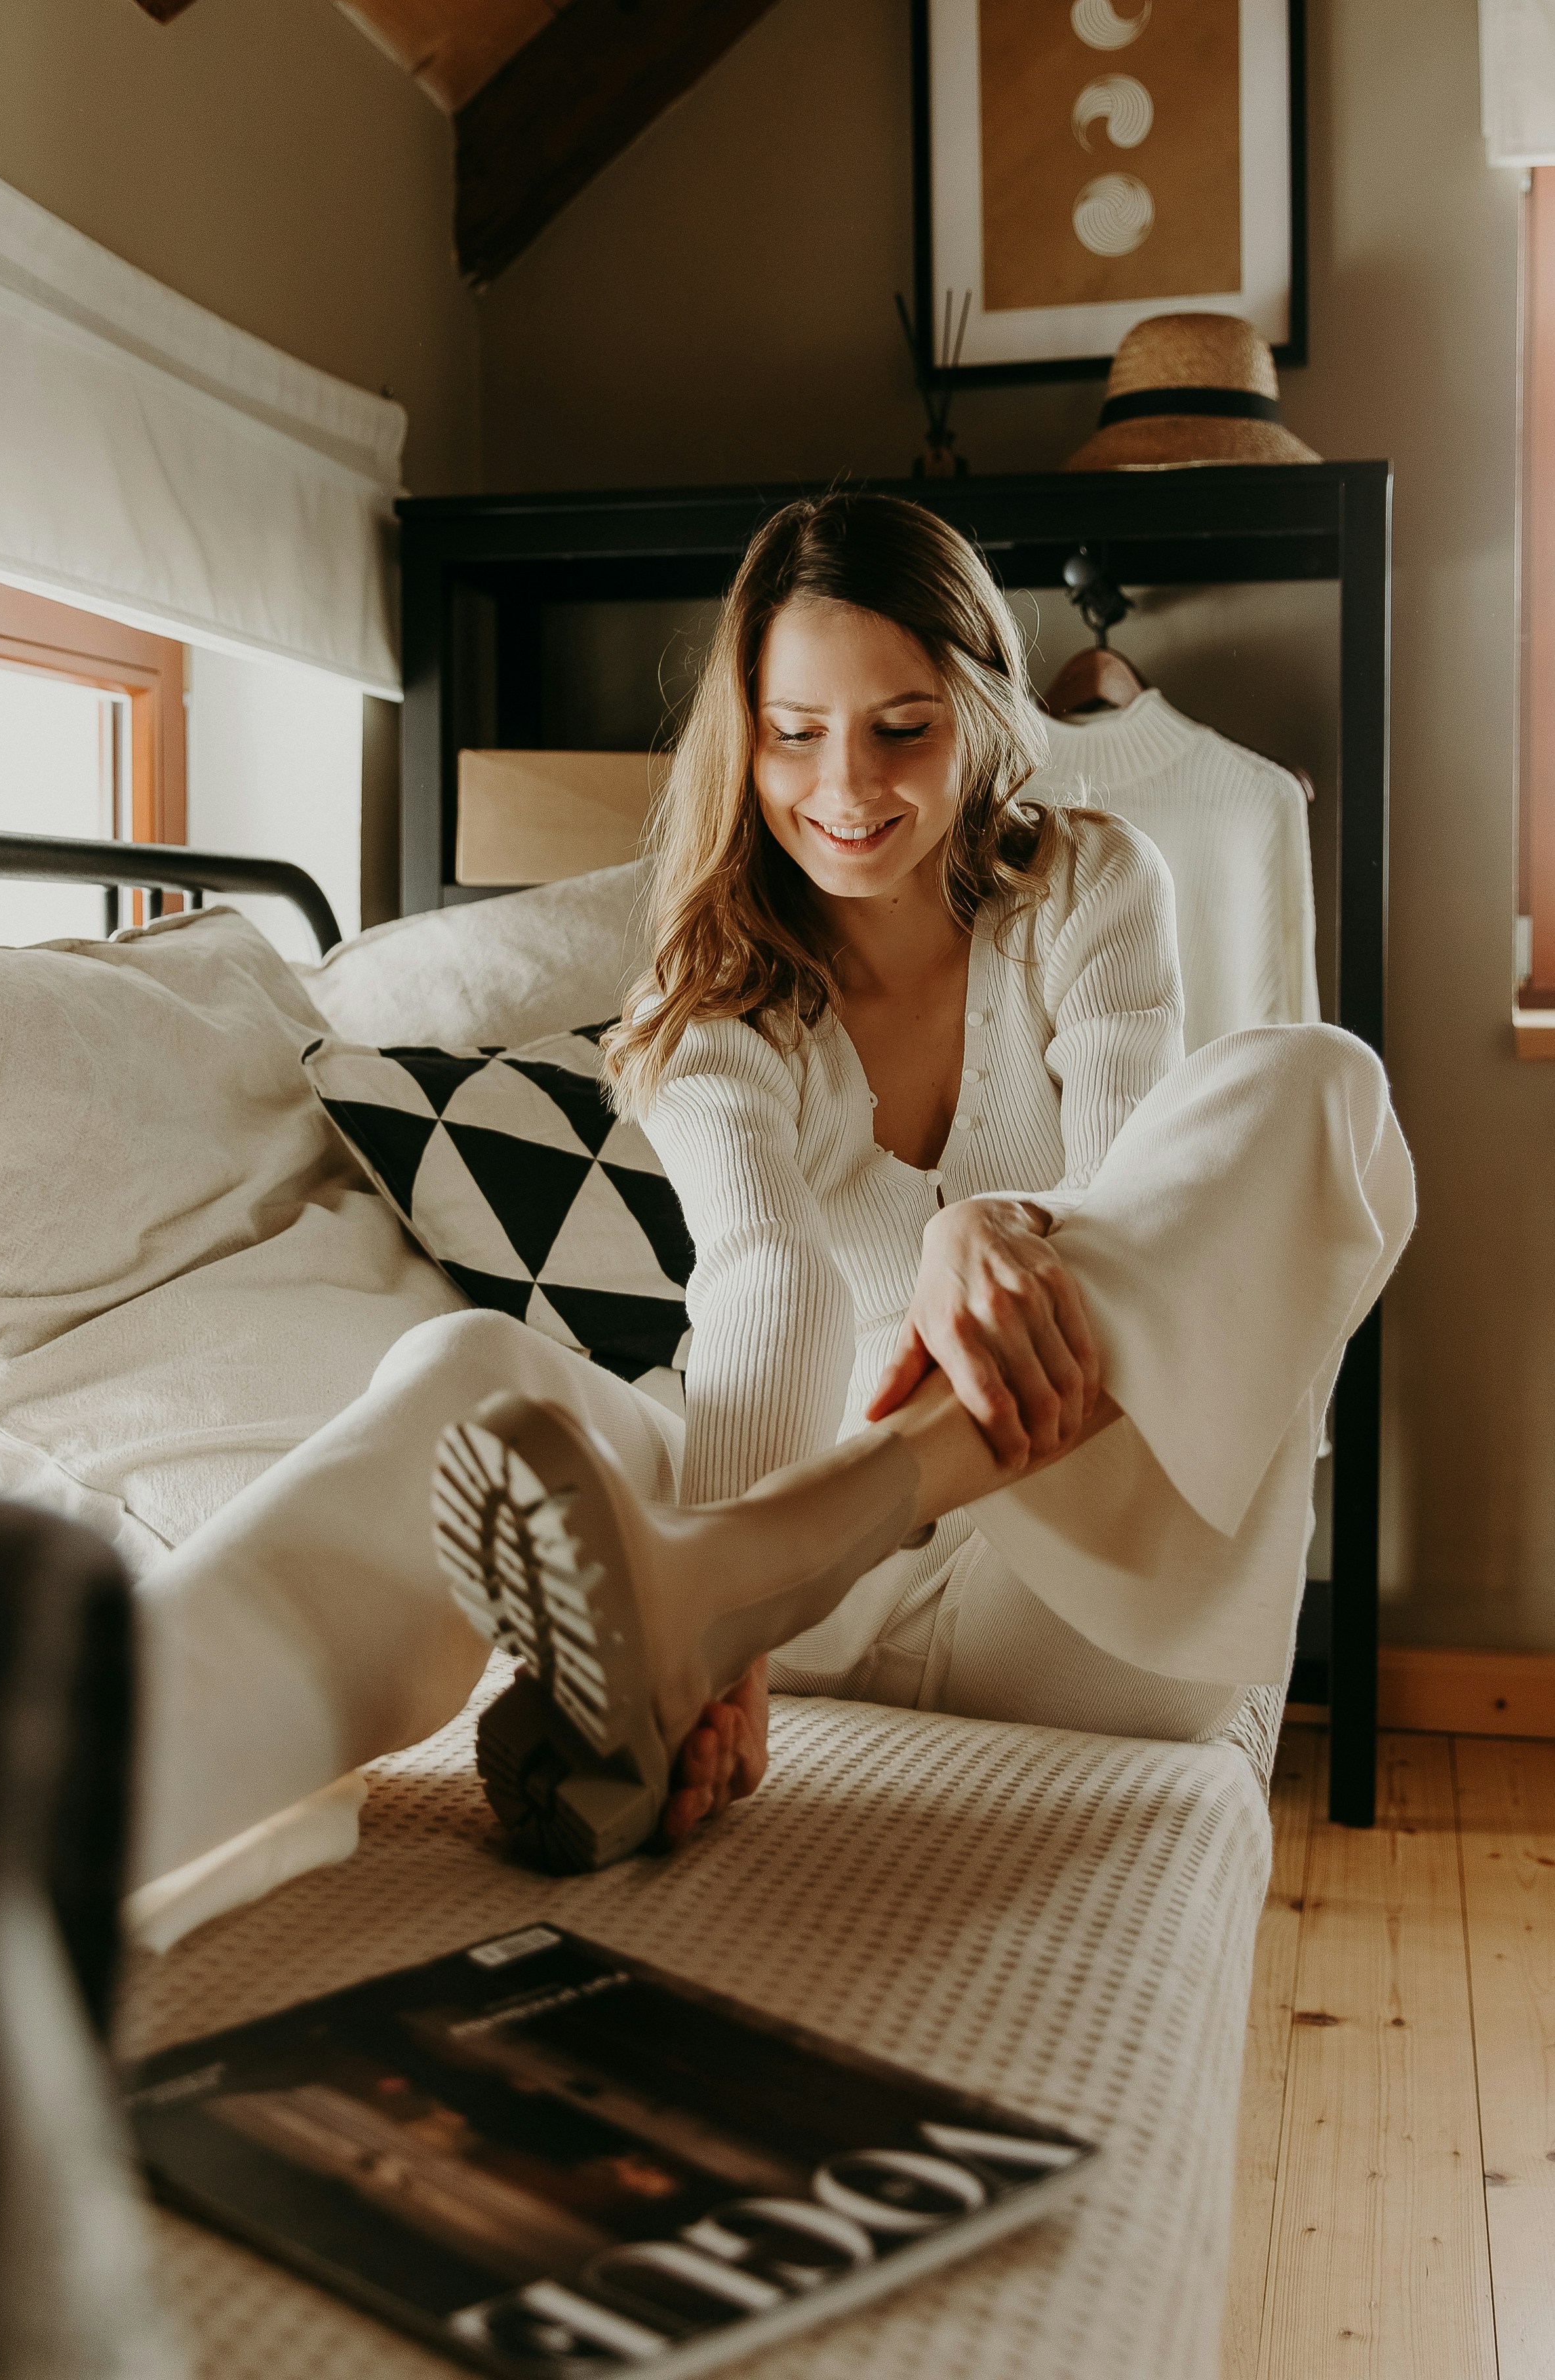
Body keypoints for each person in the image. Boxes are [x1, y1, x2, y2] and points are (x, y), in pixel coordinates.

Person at [131, 494, 1412, 1892]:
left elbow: (1128, 1207)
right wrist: (730, 1652)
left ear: (982, 712)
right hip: (794, 1595)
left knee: (1316, 1082)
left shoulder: (1090, 881)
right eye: (793, 732)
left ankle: (733, 1572)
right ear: (741, 736)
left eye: (900, 727)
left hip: (1065, 1611)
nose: (844, 785)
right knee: (469, 1370)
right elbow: (765, 1283)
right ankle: (62, 1804)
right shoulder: (706, 999)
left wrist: (999, 1222)